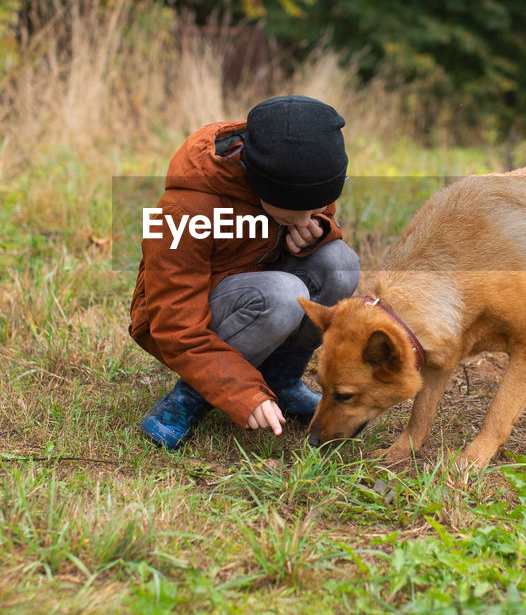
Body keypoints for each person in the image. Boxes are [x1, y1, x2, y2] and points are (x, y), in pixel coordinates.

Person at [129, 95, 361, 448]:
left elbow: (310, 214)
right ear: (259, 185)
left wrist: (316, 232)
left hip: (257, 291)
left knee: (340, 265)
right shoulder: (184, 210)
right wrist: (242, 392)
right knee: (282, 296)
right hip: (185, 321)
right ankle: (189, 398)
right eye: (291, 215)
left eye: (314, 209)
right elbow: (173, 323)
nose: (305, 220)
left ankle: (281, 383)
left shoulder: (304, 171)